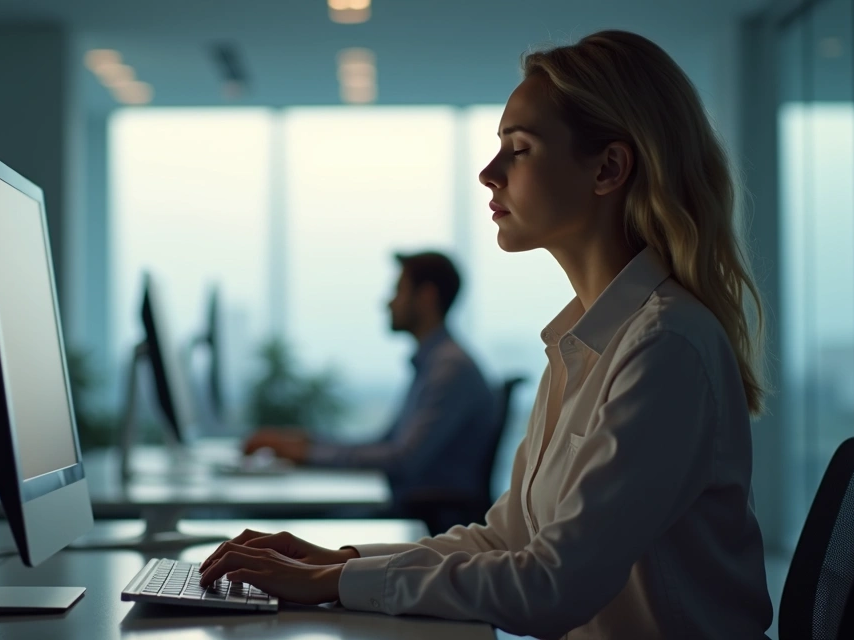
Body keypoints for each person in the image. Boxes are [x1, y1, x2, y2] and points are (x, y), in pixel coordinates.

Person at [200, 29, 773, 639]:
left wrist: (331, 585)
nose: (487, 172)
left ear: (608, 167)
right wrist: (337, 561)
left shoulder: (665, 347)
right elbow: (506, 539)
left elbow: (551, 586)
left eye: (518, 149)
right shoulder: (585, 342)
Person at [243, 251, 497, 507]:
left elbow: (402, 460)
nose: (388, 303)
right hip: (410, 506)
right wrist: (306, 442)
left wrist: (304, 453)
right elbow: (385, 442)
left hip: (423, 515)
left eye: (398, 290)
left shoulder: (448, 368)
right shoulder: (436, 362)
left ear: (426, 296)